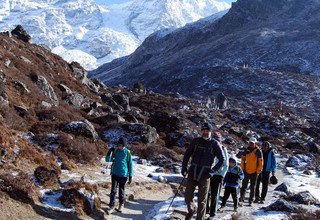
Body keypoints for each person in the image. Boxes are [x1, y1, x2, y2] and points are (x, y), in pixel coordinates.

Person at [181, 122, 225, 220]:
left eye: (207, 130)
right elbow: (187, 154)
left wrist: (212, 171)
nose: (205, 132)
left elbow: (222, 160)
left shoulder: (214, 143)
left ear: (210, 131)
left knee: (202, 200)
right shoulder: (195, 141)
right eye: (204, 130)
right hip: (193, 171)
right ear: (201, 131)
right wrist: (184, 167)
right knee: (188, 197)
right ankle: (192, 209)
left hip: (205, 174)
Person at [105, 137, 133, 214]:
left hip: (123, 175)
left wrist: (130, 176)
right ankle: (111, 206)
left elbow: (130, 164)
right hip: (114, 174)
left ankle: (121, 204)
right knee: (113, 191)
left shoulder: (127, 152)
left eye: (122, 145)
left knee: (121, 191)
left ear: (125, 145)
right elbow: (107, 160)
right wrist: (109, 152)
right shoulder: (115, 151)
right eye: (119, 145)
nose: (120, 147)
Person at [206, 132, 229, 219]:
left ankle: (212, 213)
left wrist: (222, 175)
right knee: (206, 193)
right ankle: (206, 209)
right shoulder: (209, 147)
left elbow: (226, 164)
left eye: (217, 139)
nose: (216, 141)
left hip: (218, 175)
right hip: (208, 174)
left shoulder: (223, 149)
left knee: (215, 194)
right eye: (214, 139)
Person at [239, 137, 263, 206]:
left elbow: (260, 162)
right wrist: (242, 169)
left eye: (252, 143)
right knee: (244, 186)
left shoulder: (258, 151)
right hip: (246, 171)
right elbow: (243, 160)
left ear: (255, 143)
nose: (251, 144)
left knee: (253, 187)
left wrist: (258, 171)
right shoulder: (246, 150)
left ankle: (251, 201)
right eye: (250, 142)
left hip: (254, 172)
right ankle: (241, 200)